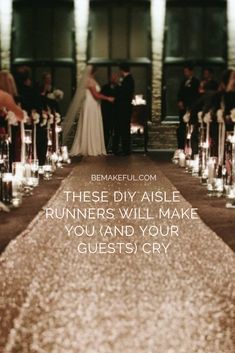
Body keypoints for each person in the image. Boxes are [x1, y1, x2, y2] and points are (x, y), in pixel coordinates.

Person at [68, 65, 114, 157]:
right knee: (91, 123)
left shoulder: (91, 80)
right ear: (94, 72)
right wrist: (108, 98)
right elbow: (96, 95)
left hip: (93, 104)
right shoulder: (89, 81)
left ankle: (93, 146)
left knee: (92, 123)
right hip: (90, 104)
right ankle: (90, 147)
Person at [113, 63, 135, 156]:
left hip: (124, 107)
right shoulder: (128, 79)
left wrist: (117, 85)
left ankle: (126, 150)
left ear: (122, 70)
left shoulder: (128, 80)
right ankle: (123, 148)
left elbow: (123, 93)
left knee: (124, 128)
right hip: (124, 107)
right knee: (123, 128)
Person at [177, 64, 200, 150]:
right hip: (183, 108)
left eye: (186, 71)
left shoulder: (196, 82)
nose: (185, 73)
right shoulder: (183, 82)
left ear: (191, 71)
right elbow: (180, 93)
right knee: (181, 127)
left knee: (191, 127)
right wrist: (179, 101)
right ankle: (181, 147)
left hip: (191, 108)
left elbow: (195, 96)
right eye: (184, 72)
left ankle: (189, 147)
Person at [101, 73, 118, 152]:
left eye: (115, 77)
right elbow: (102, 99)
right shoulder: (104, 87)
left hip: (115, 112)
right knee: (106, 131)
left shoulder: (119, 87)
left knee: (115, 131)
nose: (113, 79)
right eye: (112, 77)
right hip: (106, 112)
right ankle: (105, 148)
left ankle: (115, 148)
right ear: (109, 78)